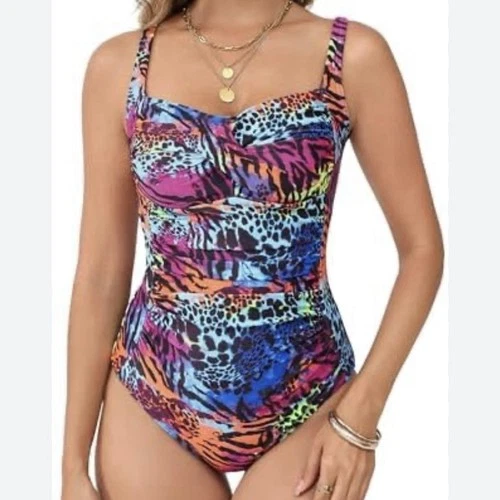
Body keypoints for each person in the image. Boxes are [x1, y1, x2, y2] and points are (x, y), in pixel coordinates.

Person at [61, 0, 444, 499]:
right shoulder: (121, 66)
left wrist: (359, 419)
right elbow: (100, 273)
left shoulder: (352, 56)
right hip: (155, 390)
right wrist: (72, 466)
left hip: (307, 393)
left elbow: (422, 250)